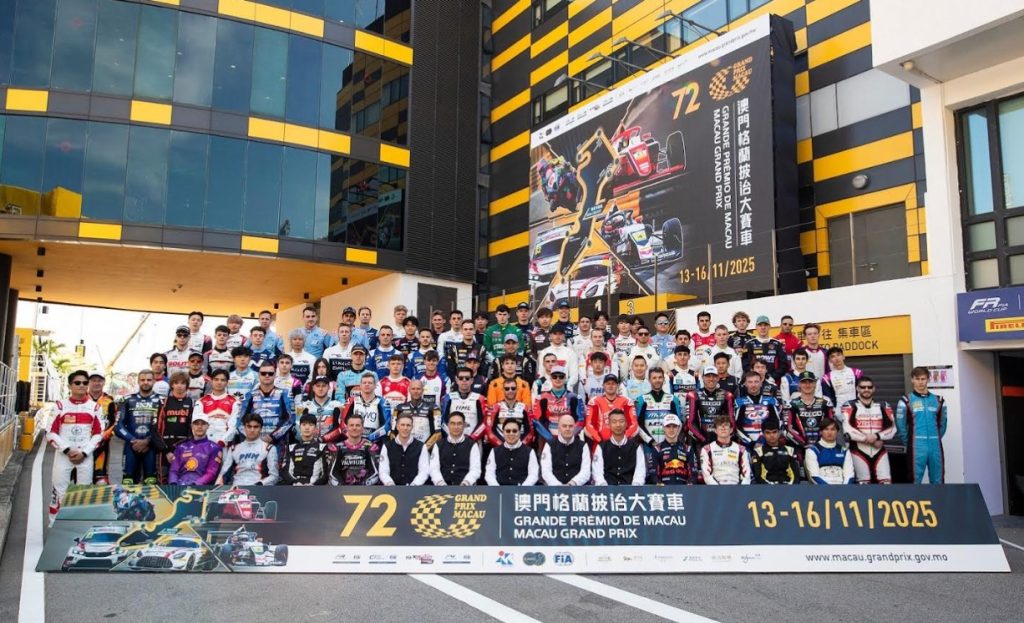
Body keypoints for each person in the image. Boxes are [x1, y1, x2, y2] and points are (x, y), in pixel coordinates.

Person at [48, 370, 103, 521]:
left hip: (85, 456)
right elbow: (50, 433)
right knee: (59, 492)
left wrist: (84, 453)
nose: (81, 385)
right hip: (63, 455)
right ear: (69, 386)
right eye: (77, 383)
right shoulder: (60, 406)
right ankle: (54, 526)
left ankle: (77, 528)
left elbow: (99, 434)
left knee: (83, 494)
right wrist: (67, 450)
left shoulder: (95, 408)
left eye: (85, 383)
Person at [896, 366, 949, 484]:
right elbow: (901, 426)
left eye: (923, 379)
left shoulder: (939, 401)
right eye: (917, 379)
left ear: (928, 379)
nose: (920, 382)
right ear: (912, 380)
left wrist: (935, 438)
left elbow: (943, 424)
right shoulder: (906, 401)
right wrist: (909, 442)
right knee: (914, 481)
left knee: (938, 480)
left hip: (935, 445)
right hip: (916, 446)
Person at [842, 375, 896, 484]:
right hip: (858, 450)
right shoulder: (849, 405)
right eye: (863, 387)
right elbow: (847, 429)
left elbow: (893, 428)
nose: (866, 389)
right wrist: (871, 440)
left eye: (869, 387)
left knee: (886, 482)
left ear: (873, 389)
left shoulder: (883, 405)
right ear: (857, 388)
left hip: (879, 449)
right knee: (863, 482)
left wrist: (877, 436)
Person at [115, 369, 164, 484]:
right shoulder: (126, 399)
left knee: (151, 482)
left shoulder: (162, 400)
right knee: (128, 482)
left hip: (152, 446)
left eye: (149, 380)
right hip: (131, 445)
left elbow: (163, 426)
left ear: (154, 381)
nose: (145, 382)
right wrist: (133, 440)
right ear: (138, 381)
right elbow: (118, 426)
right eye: (142, 380)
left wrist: (148, 441)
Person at [240, 362, 295, 462]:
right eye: (263, 373)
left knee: (276, 470)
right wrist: (252, 437)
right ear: (258, 375)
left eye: (270, 373)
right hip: (253, 443)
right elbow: (240, 421)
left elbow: (290, 419)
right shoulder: (249, 395)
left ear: (275, 375)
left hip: (277, 443)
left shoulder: (285, 394)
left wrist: (273, 436)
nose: (267, 375)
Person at [153, 372, 195, 483]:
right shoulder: (163, 403)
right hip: (165, 447)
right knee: (163, 479)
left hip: (185, 447)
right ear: (172, 385)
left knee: (184, 479)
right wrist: (166, 451)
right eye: (176, 383)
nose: (179, 386)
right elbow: (155, 429)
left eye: (183, 383)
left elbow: (193, 429)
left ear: (187, 385)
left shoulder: (192, 403)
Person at [219, 413, 280, 485]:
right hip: (237, 488)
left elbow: (274, 476)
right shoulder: (234, 448)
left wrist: (260, 484)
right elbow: (223, 474)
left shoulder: (269, 448)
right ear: (244, 428)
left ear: (260, 429)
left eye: (256, 427)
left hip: (259, 488)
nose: (252, 430)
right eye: (249, 426)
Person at [332, 372, 390, 443]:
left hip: (374, 441)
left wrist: (370, 438)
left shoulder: (383, 402)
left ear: (375, 385)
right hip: (353, 440)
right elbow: (343, 423)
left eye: (370, 383)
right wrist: (353, 437)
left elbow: (387, 425)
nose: (367, 384)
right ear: (360, 385)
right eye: (364, 383)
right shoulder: (351, 401)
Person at [592, 409, 645, 486]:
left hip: (629, 489)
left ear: (626, 424)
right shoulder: (601, 447)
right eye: (614, 422)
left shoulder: (636, 447)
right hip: (607, 489)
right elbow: (597, 473)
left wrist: (634, 488)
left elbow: (640, 472)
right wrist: (604, 487)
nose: (618, 425)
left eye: (621, 421)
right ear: (609, 425)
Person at [167, 413, 223, 485]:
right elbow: (174, 470)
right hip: (179, 486)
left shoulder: (214, 448)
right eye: (196, 424)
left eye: (203, 424)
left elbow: (211, 473)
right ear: (192, 426)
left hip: (201, 488)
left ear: (208, 426)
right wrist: (173, 484)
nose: (199, 427)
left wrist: (196, 484)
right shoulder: (181, 447)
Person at [686, 367, 736, 447]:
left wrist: (722, 438)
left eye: (714, 376)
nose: (711, 379)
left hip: (721, 439)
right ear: (703, 378)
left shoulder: (727, 395)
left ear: (718, 378)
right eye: (708, 376)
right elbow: (690, 422)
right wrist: (703, 440)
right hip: (700, 440)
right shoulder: (693, 395)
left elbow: (731, 420)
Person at [430, 411, 482, 486]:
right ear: (448, 425)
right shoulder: (438, 445)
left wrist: (465, 483)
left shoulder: (472, 445)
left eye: (459, 423)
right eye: (453, 423)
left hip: (465, 489)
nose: (456, 427)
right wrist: (441, 484)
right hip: (442, 488)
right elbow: (434, 469)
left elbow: (475, 470)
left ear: (464, 425)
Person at [532, 370, 583, 445]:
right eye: (555, 376)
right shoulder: (541, 398)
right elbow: (537, 421)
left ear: (565, 378)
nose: (558, 379)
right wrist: (550, 439)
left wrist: (569, 436)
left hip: (570, 440)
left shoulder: (574, 397)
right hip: (548, 440)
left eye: (561, 377)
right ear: (550, 378)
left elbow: (580, 420)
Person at [636, 368, 683, 448]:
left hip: (669, 445)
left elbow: (679, 423)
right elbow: (638, 424)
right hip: (648, 446)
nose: (657, 380)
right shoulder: (641, 400)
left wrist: (669, 440)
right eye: (654, 378)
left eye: (660, 377)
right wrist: (651, 441)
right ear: (649, 380)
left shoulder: (673, 399)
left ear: (664, 379)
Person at [734, 370, 782, 449]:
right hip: (747, 445)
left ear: (761, 383)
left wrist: (768, 440)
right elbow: (736, 426)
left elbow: (778, 422)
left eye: (756, 382)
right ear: (745, 384)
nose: (753, 385)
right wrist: (751, 443)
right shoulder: (739, 402)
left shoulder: (771, 400)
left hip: (769, 443)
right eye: (750, 382)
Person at [280, 413, 331, 485]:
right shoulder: (291, 448)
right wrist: (295, 483)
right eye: (304, 425)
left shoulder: (322, 447)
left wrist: (313, 485)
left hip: (314, 487)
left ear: (315, 428)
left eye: (310, 425)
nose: (307, 428)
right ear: (299, 427)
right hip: (294, 487)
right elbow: (285, 471)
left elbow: (325, 474)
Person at [329, 414, 380, 486]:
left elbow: (375, 473)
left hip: (365, 489)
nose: (354, 428)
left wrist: (361, 487)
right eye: (351, 425)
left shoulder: (371, 447)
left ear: (362, 428)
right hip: (342, 489)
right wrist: (342, 487)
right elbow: (332, 474)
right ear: (346, 428)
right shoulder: (337, 447)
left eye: (357, 425)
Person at [380, 413, 430, 486]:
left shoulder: (421, 447)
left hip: (415, 489)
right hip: (392, 489)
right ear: (397, 426)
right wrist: (390, 485)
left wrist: (414, 485)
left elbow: (424, 471)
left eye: (408, 425)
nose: (405, 428)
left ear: (412, 427)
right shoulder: (387, 446)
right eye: (402, 425)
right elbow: (383, 471)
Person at [540, 414, 590, 486]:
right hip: (554, 489)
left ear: (574, 427)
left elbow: (586, 471)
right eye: (564, 426)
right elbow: (546, 471)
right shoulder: (549, 445)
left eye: (570, 426)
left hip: (577, 488)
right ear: (559, 428)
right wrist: (558, 486)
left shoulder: (583, 446)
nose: (567, 429)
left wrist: (572, 483)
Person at [699, 415, 751, 485]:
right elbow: (707, 476)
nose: (723, 428)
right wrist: (720, 489)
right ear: (715, 430)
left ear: (731, 430)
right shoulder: (707, 449)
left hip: (737, 488)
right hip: (715, 488)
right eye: (720, 425)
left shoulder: (741, 449)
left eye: (726, 425)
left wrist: (740, 489)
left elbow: (746, 476)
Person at [485, 419, 539, 485]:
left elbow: (533, 475)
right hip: (498, 489)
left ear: (519, 432)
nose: (511, 433)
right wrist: (497, 488)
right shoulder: (494, 451)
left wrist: (523, 488)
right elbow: (489, 474)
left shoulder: (530, 452)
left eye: (514, 431)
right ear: (503, 433)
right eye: (508, 431)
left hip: (522, 489)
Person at [787, 372, 834, 448]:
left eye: (810, 382)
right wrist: (804, 444)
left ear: (815, 384)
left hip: (822, 447)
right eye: (804, 382)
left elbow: (831, 426)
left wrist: (819, 445)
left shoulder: (825, 404)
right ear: (799, 384)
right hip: (799, 448)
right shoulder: (791, 404)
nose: (807, 385)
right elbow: (788, 429)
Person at [194, 369, 240, 447]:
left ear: (227, 382)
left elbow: (233, 426)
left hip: (224, 445)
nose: (219, 382)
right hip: (205, 444)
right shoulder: (201, 401)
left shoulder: (234, 402)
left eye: (222, 380)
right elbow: (195, 425)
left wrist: (222, 442)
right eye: (216, 379)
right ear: (211, 381)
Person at [585, 375, 637, 443]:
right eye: (608, 384)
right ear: (603, 385)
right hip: (600, 443)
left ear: (617, 386)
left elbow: (633, 424)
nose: (610, 386)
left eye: (613, 383)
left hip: (622, 443)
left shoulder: (626, 401)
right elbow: (589, 425)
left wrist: (622, 440)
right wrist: (600, 441)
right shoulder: (594, 401)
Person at [86, 370, 117, 485]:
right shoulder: (81, 398)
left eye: (99, 381)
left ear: (104, 382)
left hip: (102, 444)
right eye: (93, 380)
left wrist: (105, 435)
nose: (96, 383)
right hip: (82, 443)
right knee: (81, 477)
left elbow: (115, 421)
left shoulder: (110, 400)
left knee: (101, 480)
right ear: (89, 382)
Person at [805, 417, 854, 485]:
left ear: (837, 432)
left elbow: (849, 475)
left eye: (833, 429)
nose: (829, 432)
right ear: (821, 432)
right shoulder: (812, 450)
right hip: (822, 489)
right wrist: (829, 489)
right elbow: (814, 476)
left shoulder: (844, 451)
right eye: (826, 429)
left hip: (842, 488)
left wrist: (844, 489)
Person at [485, 381, 534, 448]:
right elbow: (490, 430)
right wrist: (502, 446)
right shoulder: (496, 407)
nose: (510, 391)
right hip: (500, 446)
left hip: (520, 446)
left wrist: (521, 445)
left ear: (517, 389)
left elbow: (530, 431)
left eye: (513, 388)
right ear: (503, 390)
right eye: (507, 388)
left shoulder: (525, 408)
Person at [751, 416, 798, 484]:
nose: (771, 435)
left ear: (779, 433)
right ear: (763, 434)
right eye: (768, 433)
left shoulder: (790, 450)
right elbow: (758, 476)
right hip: (767, 488)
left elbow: (796, 476)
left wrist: (789, 487)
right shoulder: (758, 452)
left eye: (774, 432)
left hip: (788, 487)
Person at [441, 367, 487, 437]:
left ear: (472, 380)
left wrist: (472, 438)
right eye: (461, 378)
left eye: (467, 378)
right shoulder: (448, 398)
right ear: (456, 380)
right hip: (452, 439)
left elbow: (483, 423)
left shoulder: (480, 398)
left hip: (473, 440)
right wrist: (452, 437)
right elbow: (443, 421)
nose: (464, 380)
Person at [394, 379, 442, 446]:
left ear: (423, 390)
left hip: (426, 448)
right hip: (404, 447)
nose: (416, 391)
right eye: (413, 389)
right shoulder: (399, 408)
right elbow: (393, 433)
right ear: (409, 390)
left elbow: (438, 434)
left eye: (418, 389)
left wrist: (424, 449)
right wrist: (402, 447)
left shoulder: (433, 408)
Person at [744, 316, 788, 383]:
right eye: (760, 325)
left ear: (769, 327)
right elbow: (745, 364)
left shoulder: (777, 344)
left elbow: (784, 365)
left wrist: (773, 377)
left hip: (772, 381)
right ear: (756, 327)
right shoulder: (749, 344)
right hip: (754, 381)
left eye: (765, 325)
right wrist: (754, 376)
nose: (763, 327)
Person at [300, 375, 345, 440]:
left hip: (331, 442)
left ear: (329, 387)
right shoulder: (304, 406)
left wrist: (324, 439)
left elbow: (341, 428)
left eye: (323, 386)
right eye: (318, 386)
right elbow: (299, 428)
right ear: (313, 388)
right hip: (311, 442)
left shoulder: (338, 405)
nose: (320, 389)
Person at [444, 320, 487, 387]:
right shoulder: (454, 348)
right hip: (459, 383)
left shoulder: (481, 348)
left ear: (474, 331)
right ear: (461, 331)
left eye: (470, 329)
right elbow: (451, 370)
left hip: (476, 384)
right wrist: (455, 382)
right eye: (465, 329)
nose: (468, 331)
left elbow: (483, 370)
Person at [821, 346, 862, 411]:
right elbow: (827, 397)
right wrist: (833, 410)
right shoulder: (826, 378)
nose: (836, 358)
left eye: (838, 355)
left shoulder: (857, 373)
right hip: (838, 411)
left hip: (856, 409)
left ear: (843, 357)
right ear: (830, 361)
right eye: (833, 356)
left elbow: (862, 392)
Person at [654, 414, 691, 485]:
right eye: (668, 426)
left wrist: (690, 484)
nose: (671, 430)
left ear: (679, 428)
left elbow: (693, 473)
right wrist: (658, 484)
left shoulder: (687, 449)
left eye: (674, 426)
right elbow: (653, 474)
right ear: (663, 428)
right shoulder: (657, 449)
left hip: (684, 489)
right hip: (663, 489)